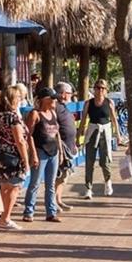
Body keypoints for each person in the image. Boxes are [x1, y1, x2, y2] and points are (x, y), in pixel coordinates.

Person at [0, 85, 28, 228]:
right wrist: (25, 160)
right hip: (13, 156)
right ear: (12, 99)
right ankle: (5, 218)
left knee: (5, 186)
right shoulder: (13, 117)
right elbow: (20, 140)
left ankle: (3, 216)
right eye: (18, 97)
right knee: (14, 187)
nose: (20, 100)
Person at [24, 87, 62, 222]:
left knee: (51, 184)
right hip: (40, 151)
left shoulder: (53, 113)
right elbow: (28, 135)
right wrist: (33, 153)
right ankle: (29, 211)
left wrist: (61, 152)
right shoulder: (35, 114)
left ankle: (51, 212)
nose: (54, 101)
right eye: (52, 99)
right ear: (44, 100)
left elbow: (57, 134)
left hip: (53, 152)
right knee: (35, 182)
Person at [80, 80, 121, 198]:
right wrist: (79, 137)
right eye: (98, 88)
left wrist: (117, 135)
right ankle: (88, 188)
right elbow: (83, 120)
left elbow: (114, 119)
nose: (100, 90)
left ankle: (108, 181)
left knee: (105, 161)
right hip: (92, 132)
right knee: (89, 161)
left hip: (105, 132)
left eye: (103, 88)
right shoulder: (89, 103)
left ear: (106, 90)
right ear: (94, 89)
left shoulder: (109, 103)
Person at [54, 82, 78, 212]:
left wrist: (74, 144)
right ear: (63, 94)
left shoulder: (65, 107)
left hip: (69, 146)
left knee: (64, 176)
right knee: (57, 176)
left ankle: (59, 199)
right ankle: (53, 201)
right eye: (69, 93)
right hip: (60, 147)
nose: (70, 96)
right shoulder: (56, 107)